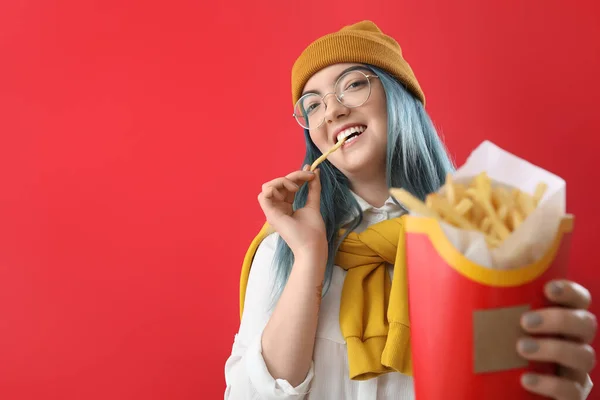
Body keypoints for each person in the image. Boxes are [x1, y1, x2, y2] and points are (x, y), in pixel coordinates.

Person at [224, 20, 596, 399]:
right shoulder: (282, 249)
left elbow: (507, 381)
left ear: (398, 96)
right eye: (313, 105)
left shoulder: (483, 236)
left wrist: (553, 376)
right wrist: (308, 259)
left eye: (352, 84)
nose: (331, 112)